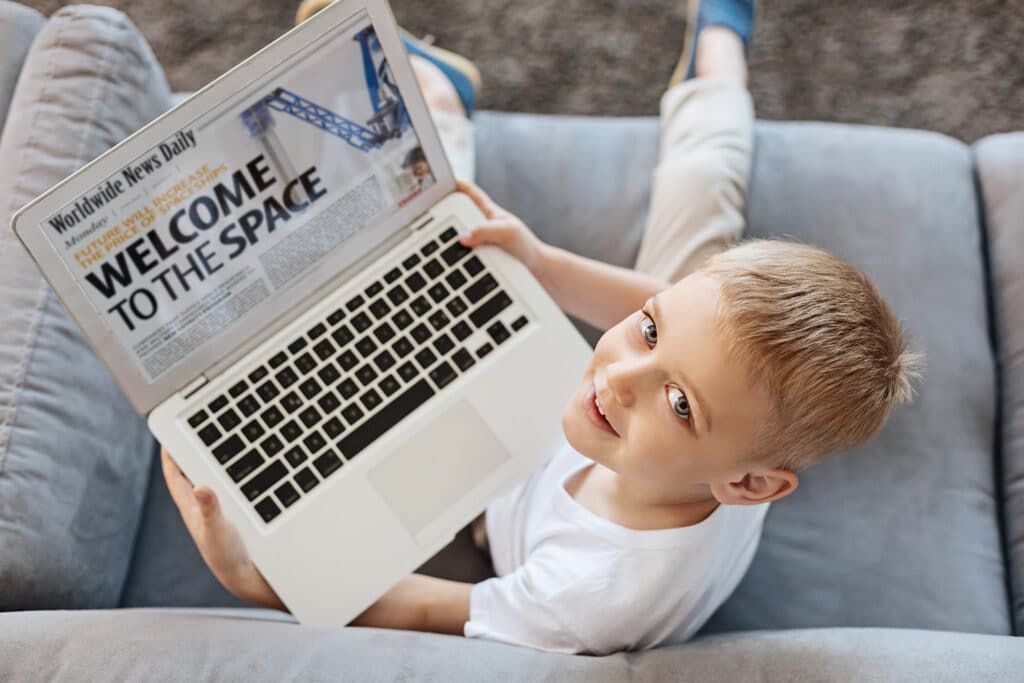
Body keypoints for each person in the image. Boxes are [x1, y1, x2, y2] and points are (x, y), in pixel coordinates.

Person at [162, 0, 921, 654]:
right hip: (638, 416)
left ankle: (435, 96)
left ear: (750, 484)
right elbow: (673, 303)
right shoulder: (716, 410)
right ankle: (717, 57)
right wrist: (545, 263)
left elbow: (424, 607)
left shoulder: (594, 590)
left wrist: (252, 579)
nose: (616, 375)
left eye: (680, 403)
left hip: (497, 507)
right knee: (700, 187)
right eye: (646, 332)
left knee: (430, 252)